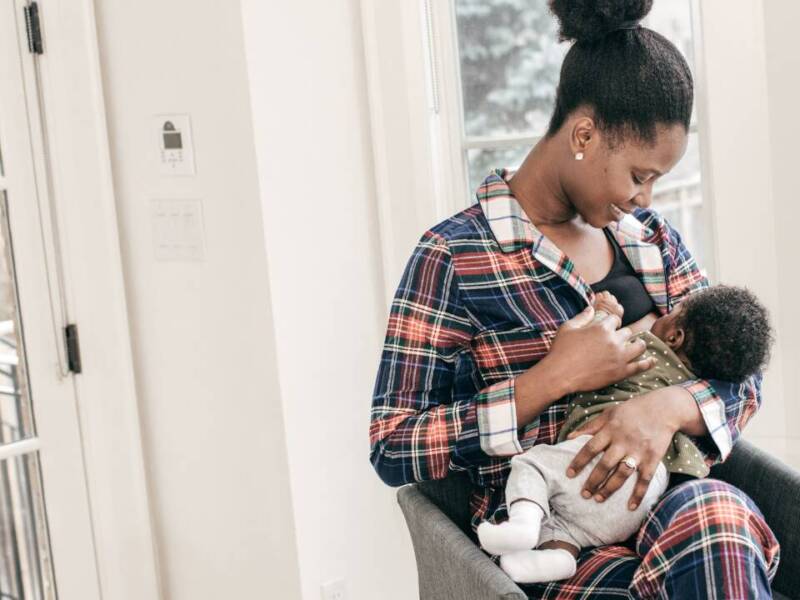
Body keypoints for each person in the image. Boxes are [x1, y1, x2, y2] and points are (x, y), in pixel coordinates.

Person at [369, 0, 781, 596]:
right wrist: (549, 380)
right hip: (558, 539)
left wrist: (663, 410)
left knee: (717, 521)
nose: (645, 198)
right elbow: (392, 444)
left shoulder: (655, 244)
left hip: (673, 511)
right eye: (639, 176)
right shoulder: (453, 256)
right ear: (584, 133)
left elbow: (743, 376)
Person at [476, 286, 774, 584]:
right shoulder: (699, 369)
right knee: (571, 527)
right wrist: (554, 375)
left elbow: (600, 347)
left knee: (533, 466)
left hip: (586, 462)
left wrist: (607, 315)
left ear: (674, 337)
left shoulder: (643, 349)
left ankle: (524, 525)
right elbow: (738, 365)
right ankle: (559, 557)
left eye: (672, 312)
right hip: (641, 501)